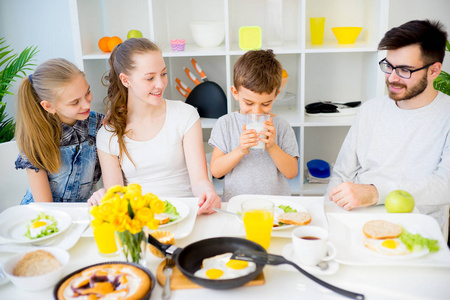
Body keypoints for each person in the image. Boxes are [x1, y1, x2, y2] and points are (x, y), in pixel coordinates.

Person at [327, 19, 450, 231]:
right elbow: (341, 173)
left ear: (434, 71)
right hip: (359, 222)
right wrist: (331, 221)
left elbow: (444, 184)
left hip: (417, 230)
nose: (392, 78)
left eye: (404, 70)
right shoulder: (370, 110)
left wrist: (376, 193)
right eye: (389, 66)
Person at [88, 38, 220, 214]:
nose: (160, 84)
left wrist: (208, 193)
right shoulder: (108, 134)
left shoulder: (185, 115)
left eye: (163, 74)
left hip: (188, 213)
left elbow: (199, 180)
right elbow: (117, 194)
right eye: (150, 78)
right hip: (141, 221)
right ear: (126, 80)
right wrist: (104, 196)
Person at [208, 49, 299, 202]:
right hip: (237, 205)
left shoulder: (281, 126)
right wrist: (240, 150)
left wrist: (272, 146)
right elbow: (216, 171)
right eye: (249, 103)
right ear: (235, 93)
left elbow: (291, 172)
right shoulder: (226, 124)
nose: (256, 111)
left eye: (266, 103)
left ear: (276, 95)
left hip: (274, 206)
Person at [15, 58, 104, 203]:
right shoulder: (36, 138)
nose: (87, 104)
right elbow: (45, 206)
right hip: (44, 214)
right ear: (49, 106)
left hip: (82, 210)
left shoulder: (98, 124)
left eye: (87, 92)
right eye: (75, 102)